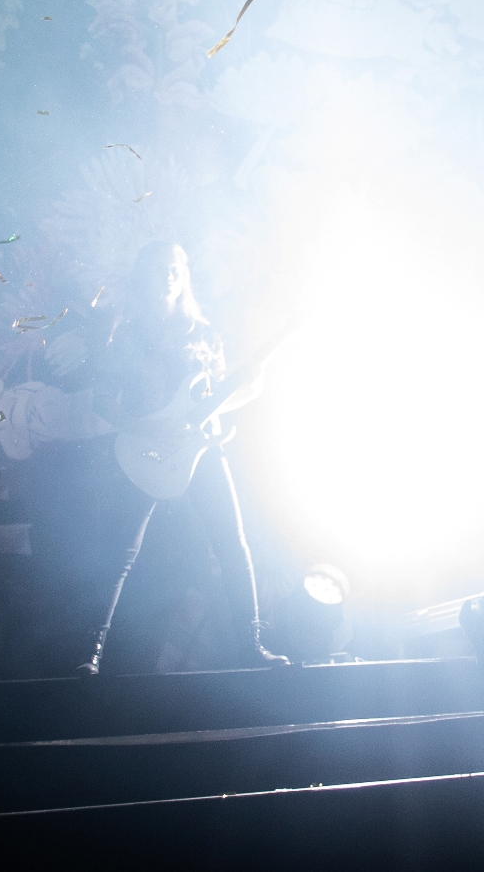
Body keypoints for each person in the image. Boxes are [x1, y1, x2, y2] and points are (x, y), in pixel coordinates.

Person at [59, 240, 285, 675]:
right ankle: (90, 653)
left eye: (174, 269)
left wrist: (251, 387)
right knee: (120, 551)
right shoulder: (126, 334)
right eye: (159, 268)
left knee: (232, 543)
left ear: (184, 278)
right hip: (142, 450)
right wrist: (144, 428)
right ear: (143, 275)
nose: (167, 276)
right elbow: (102, 400)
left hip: (199, 450)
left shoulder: (204, 334)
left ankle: (251, 647)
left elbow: (218, 398)